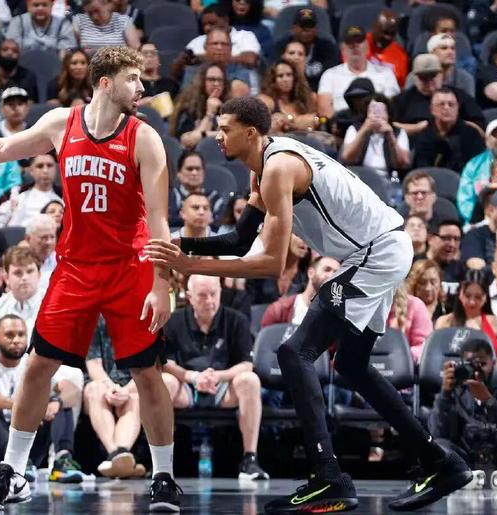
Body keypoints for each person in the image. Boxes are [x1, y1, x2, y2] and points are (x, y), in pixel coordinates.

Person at [144, 96, 472, 513]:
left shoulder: (278, 168)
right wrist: (182, 243)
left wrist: (189, 265)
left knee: (293, 352)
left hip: (375, 252)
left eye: (225, 129)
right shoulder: (262, 169)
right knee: (351, 365)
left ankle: (328, 477)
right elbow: (240, 241)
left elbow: (271, 264)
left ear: (251, 133)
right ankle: (441, 463)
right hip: (376, 251)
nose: (218, 137)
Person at [0, 46, 179, 511]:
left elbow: (159, 220)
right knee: (38, 365)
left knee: (145, 372)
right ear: (105, 83)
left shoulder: (145, 138)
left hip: (129, 265)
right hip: (76, 266)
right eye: (133, 79)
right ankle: (13, 473)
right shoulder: (62, 123)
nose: (142, 88)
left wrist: (161, 285)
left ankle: (163, 477)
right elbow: (4, 148)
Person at [161, 274, 269, 481]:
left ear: (221, 292)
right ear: (190, 297)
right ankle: (162, 462)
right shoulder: (173, 321)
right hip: (186, 385)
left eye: (213, 294)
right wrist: (193, 377)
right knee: (164, 382)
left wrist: (218, 376)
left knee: (250, 380)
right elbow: (166, 363)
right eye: (202, 295)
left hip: (223, 385)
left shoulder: (237, 320)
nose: (209, 301)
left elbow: (246, 364)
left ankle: (250, 459)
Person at [0, 315, 83, 481]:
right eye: (9, 335)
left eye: (21, 335)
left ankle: (62, 461)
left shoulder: (34, 366)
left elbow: (73, 391)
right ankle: (13, 465)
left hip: (29, 443)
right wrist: (26, 407)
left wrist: (56, 403)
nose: (16, 340)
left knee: (60, 402)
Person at [428, 338, 497, 470]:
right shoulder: (456, 391)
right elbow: (437, 433)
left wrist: (489, 401)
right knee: (438, 447)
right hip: (467, 459)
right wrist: (444, 394)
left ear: (493, 363)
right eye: (471, 365)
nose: (476, 371)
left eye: (482, 364)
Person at [83, 317, 145, 478]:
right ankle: (117, 455)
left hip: (132, 384)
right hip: (101, 382)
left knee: (135, 398)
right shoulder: (94, 321)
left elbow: (147, 367)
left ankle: (118, 458)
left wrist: (126, 390)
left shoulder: (144, 321)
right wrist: (111, 388)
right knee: (95, 390)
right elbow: (93, 365)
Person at [392, 54, 485, 139]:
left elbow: (479, 128)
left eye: (432, 76)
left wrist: (455, 123)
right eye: (423, 78)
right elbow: (391, 127)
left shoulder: (458, 96)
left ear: (441, 75)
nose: (429, 82)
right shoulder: (402, 100)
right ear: (414, 78)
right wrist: (417, 127)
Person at [0, 246, 44, 361]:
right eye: (18, 273)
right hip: (3, 368)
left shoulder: (54, 307)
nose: (25, 278)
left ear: (39, 275)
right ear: (6, 278)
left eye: (30, 271)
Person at [317, 26, 399, 116]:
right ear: (342, 49)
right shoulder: (329, 75)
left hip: (376, 122)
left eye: (359, 41)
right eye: (350, 42)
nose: (355, 46)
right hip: (341, 122)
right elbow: (324, 110)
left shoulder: (386, 74)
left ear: (367, 46)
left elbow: (391, 106)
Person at [436, 270, 497, 361]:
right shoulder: (444, 323)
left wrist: (496, 363)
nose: (472, 302)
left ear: (485, 297)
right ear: (460, 294)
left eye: (478, 297)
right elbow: (435, 356)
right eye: (467, 296)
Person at [412, 88, 485, 172]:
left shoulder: (471, 134)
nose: (446, 108)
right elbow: (421, 169)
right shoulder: (424, 136)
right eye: (441, 104)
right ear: (432, 109)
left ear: (458, 108)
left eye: (451, 104)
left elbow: (479, 167)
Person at [271, 7, 340, 92]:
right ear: (294, 28)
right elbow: (272, 77)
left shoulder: (327, 47)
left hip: (319, 92)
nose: (307, 30)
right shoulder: (282, 46)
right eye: (303, 26)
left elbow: (332, 79)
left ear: (316, 29)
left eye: (310, 26)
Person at [341, 94, 410, 176]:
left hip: (389, 178)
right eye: (373, 111)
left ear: (388, 115)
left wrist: (391, 136)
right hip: (360, 177)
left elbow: (404, 163)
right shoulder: (355, 129)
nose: (377, 115)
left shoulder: (397, 132)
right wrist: (364, 130)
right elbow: (347, 158)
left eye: (381, 111)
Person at [261, 256, 340, 327]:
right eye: (327, 270)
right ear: (311, 273)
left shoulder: (337, 317)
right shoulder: (279, 310)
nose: (331, 276)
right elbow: (267, 338)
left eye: (336, 273)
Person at [0, 153, 62, 229]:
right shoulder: (16, 196)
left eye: (49, 165)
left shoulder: (65, 198)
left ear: (56, 168)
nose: (45, 171)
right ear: (31, 170)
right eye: (40, 166)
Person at [169, 63, 229, 149]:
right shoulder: (189, 108)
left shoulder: (230, 108)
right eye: (211, 79)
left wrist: (203, 135)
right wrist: (210, 114)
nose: (216, 83)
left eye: (220, 80)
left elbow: (233, 137)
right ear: (202, 82)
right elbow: (189, 142)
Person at [182, 28, 253, 96]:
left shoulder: (239, 67)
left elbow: (243, 93)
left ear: (231, 48)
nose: (219, 47)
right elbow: (187, 94)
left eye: (224, 44)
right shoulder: (194, 67)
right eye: (215, 43)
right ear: (205, 47)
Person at [257, 60, 320, 134]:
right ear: (273, 80)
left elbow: (315, 120)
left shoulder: (307, 98)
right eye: (280, 76)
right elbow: (261, 129)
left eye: (289, 75)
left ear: (294, 78)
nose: (285, 79)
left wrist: (289, 120)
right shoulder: (266, 100)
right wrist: (298, 121)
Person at [404, 34, 475, 97]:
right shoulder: (415, 77)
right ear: (432, 53)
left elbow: (470, 105)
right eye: (444, 48)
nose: (450, 52)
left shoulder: (466, 79)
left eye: (452, 48)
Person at [168, 151, 224, 227]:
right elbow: (169, 220)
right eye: (189, 169)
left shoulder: (214, 197)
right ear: (179, 173)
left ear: (204, 173)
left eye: (198, 169)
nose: (194, 173)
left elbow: (218, 222)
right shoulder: (170, 196)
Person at [6, 0, 76, 54]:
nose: (40, 8)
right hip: (23, 64)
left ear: (51, 6)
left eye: (44, 5)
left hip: (55, 65)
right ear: (28, 7)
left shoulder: (63, 24)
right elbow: (12, 49)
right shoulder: (17, 22)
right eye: (36, 5)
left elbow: (67, 50)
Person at [74, 0, 140, 56]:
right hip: (88, 65)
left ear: (107, 5)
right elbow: (73, 50)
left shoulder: (123, 21)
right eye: (90, 13)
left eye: (97, 11)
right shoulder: (79, 21)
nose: (94, 17)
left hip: (119, 64)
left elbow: (136, 49)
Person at [387, 284, 433, 363]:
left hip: (403, 366)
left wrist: (399, 357)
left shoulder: (415, 305)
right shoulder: (366, 307)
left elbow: (424, 347)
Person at [366, 9, 409, 87]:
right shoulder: (359, 43)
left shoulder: (400, 55)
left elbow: (400, 85)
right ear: (375, 28)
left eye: (392, 34)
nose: (388, 37)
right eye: (385, 32)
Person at [426, 219, 466, 299]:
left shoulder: (462, 270)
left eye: (456, 239)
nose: (452, 244)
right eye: (446, 238)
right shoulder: (414, 266)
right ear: (430, 239)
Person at [0, 39, 39, 103]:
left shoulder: (28, 76)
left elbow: (31, 103)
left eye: (15, 51)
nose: (10, 53)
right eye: (5, 50)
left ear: (19, 55)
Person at [23, 214, 58, 291]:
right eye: (44, 238)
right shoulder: (18, 262)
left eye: (52, 237)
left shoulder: (62, 261)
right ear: (28, 238)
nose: (49, 242)